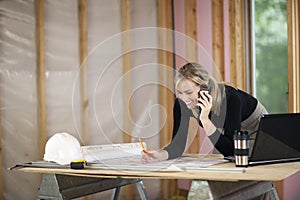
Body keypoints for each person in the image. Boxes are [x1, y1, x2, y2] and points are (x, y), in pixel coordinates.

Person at [141, 62, 274, 199]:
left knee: (238, 174)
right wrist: (160, 154)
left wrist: (205, 119)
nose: (183, 98)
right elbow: (177, 146)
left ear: (205, 88)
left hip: (259, 132)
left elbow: (231, 150)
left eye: (188, 92)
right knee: (213, 174)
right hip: (232, 136)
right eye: (179, 92)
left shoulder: (229, 98)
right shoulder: (182, 102)